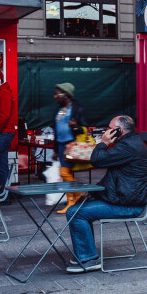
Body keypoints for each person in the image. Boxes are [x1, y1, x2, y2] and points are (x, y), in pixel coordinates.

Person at [66, 116, 147, 273]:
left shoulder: (127, 147)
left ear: (119, 130)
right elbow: (113, 179)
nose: (106, 130)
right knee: (80, 206)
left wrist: (103, 143)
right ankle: (85, 254)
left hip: (128, 205)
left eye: (109, 127)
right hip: (126, 199)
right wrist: (92, 194)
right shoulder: (130, 142)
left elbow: (97, 160)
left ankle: (88, 259)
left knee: (75, 212)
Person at [53, 83, 87, 214]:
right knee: (67, 173)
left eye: (58, 94)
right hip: (61, 146)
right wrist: (56, 150)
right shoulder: (59, 109)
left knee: (64, 173)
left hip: (71, 146)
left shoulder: (77, 108)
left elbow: (84, 128)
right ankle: (73, 200)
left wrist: (75, 126)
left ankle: (76, 196)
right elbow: (57, 130)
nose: (55, 96)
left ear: (66, 94)